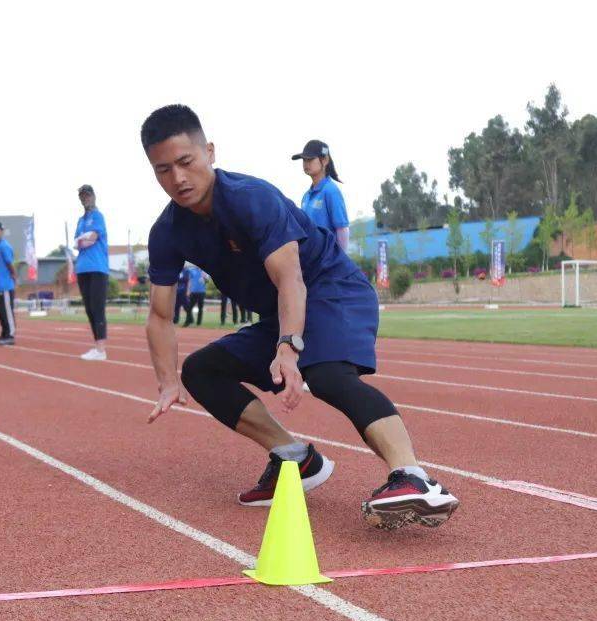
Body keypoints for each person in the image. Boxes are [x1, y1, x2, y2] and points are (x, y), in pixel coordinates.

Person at [140, 104, 459, 530]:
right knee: (201, 371)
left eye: (185, 162)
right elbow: (161, 315)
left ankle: (414, 477)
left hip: (330, 289)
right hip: (280, 309)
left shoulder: (251, 199)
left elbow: (290, 277)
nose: (177, 178)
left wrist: (288, 348)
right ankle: (295, 459)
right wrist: (167, 381)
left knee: (324, 372)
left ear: (209, 152)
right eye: (163, 170)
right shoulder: (167, 231)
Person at [293, 139, 350, 252]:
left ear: (325, 160)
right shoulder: (306, 196)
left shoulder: (331, 191)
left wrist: (340, 262)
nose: (306, 163)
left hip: (328, 263)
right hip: (312, 261)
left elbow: (342, 229)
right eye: (304, 160)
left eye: (310, 159)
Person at [73, 184, 109, 360]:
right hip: (82, 268)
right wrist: (82, 239)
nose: (84, 198)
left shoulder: (97, 216)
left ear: (93, 196)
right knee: (89, 309)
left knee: (97, 307)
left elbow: (93, 237)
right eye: (82, 195)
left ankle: (101, 349)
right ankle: (97, 346)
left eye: (87, 195)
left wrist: (83, 239)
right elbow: (76, 242)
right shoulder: (80, 220)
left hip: (98, 267)